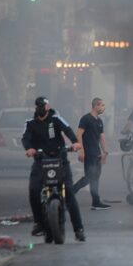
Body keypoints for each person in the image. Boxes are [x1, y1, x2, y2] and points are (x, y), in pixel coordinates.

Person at [22, 97, 85, 242]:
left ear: (48, 106)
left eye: (43, 105)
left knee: (69, 191)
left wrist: (75, 143)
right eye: (38, 105)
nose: (40, 108)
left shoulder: (56, 119)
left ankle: (79, 229)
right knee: (34, 189)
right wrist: (30, 149)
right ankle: (38, 223)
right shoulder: (30, 123)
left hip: (60, 160)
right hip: (40, 162)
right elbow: (26, 138)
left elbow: (68, 130)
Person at [72, 98, 111, 210]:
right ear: (96, 106)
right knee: (89, 177)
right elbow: (79, 135)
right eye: (102, 105)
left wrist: (105, 152)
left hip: (97, 153)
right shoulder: (86, 119)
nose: (104, 108)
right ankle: (69, 193)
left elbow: (102, 137)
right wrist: (81, 151)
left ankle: (96, 202)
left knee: (96, 177)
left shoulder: (99, 121)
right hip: (88, 152)